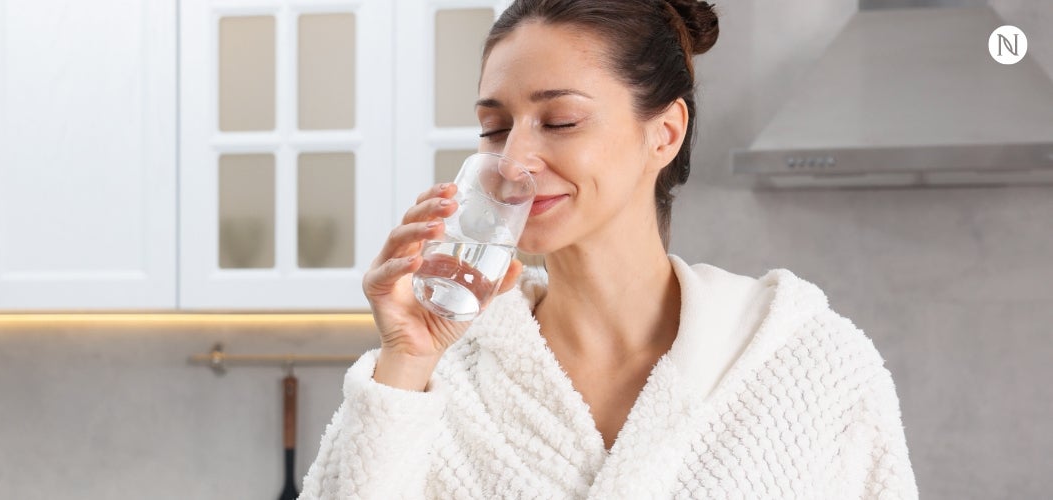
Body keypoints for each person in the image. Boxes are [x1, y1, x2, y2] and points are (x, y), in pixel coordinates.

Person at [303, 0, 918, 497]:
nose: (513, 160)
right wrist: (406, 361)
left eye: (561, 121)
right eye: (495, 128)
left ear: (664, 133)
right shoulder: (440, 379)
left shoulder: (810, 365)